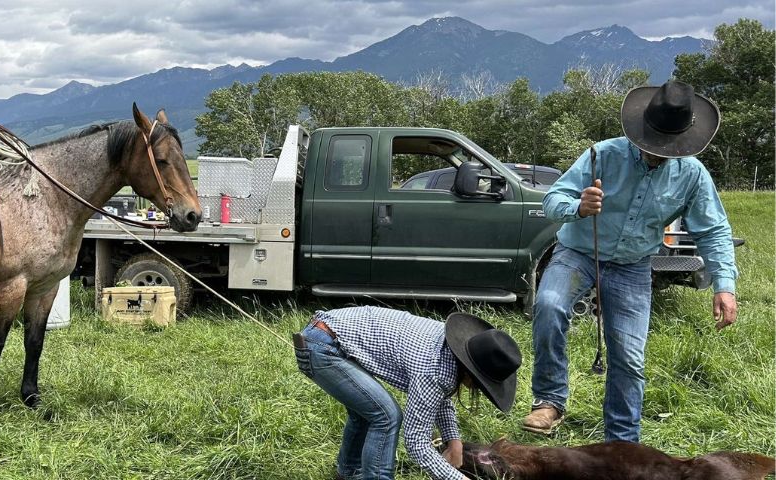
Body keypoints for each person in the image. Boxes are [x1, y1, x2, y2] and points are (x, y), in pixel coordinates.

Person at [522, 80, 739, 442]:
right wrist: (578, 207)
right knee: (548, 304)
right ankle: (549, 400)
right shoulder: (603, 154)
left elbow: (713, 231)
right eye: (652, 144)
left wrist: (725, 285)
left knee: (629, 356)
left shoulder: (692, 175)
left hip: (634, 265)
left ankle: (622, 443)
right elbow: (552, 199)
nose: (657, 153)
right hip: (578, 253)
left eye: (668, 148)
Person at [294, 306, 522, 480]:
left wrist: (454, 441)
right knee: (385, 415)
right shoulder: (433, 369)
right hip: (324, 346)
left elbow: (439, 397)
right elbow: (417, 443)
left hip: (328, 333)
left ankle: (349, 472)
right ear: (472, 373)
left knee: (366, 411)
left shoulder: (450, 349)